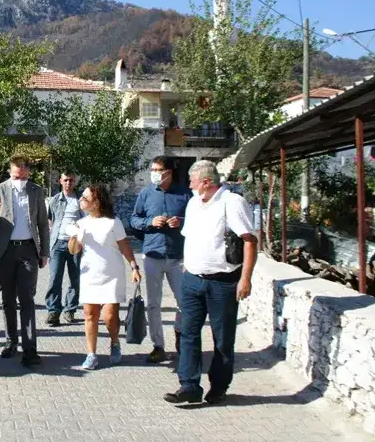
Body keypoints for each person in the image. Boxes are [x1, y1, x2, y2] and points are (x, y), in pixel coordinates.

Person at [164, 160, 257, 405]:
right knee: (187, 333)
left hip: (223, 283)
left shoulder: (232, 203)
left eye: (193, 180)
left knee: (223, 339)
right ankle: (189, 385)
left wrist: (245, 279)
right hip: (192, 280)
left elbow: (249, 240)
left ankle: (219, 387)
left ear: (206, 182)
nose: (190, 184)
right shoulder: (194, 203)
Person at [0, 155, 50, 367]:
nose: (18, 179)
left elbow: (42, 223)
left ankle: (30, 349)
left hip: (29, 250)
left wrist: (44, 252)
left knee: (27, 300)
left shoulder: (36, 191)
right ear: (10, 172)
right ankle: (10, 341)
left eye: (22, 176)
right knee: (8, 300)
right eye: (15, 175)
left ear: (28, 173)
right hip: (5, 252)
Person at [68, 185, 141, 370]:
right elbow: (74, 251)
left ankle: (115, 342)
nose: (81, 200)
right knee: (90, 315)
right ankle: (91, 354)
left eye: (85, 198)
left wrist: (134, 266)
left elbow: (124, 246)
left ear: (97, 202)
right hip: (89, 275)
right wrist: (75, 237)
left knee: (109, 316)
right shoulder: (81, 223)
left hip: (112, 275)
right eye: (81, 197)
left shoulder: (113, 222)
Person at [130, 156, 190, 363]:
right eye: (153, 169)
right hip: (153, 255)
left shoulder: (184, 193)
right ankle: (158, 346)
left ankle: (181, 340)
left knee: (183, 302)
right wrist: (150, 221)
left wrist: (180, 222)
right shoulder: (146, 193)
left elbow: (196, 219)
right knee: (153, 304)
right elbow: (134, 220)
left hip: (177, 257)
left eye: (159, 170)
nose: (155, 173)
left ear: (169, 172)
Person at [45, 170, 84, 326]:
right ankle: (53, 311)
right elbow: (49, 220)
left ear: (75, 182)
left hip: (75, 245)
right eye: (66, 180)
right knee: (55, 278)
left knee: (75, 279)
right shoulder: (54, 200)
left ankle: (70, 310)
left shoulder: (81, 200)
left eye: (71, 180)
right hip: (57, 245)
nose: (68, 183)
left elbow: (87, 219)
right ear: (60, 181)